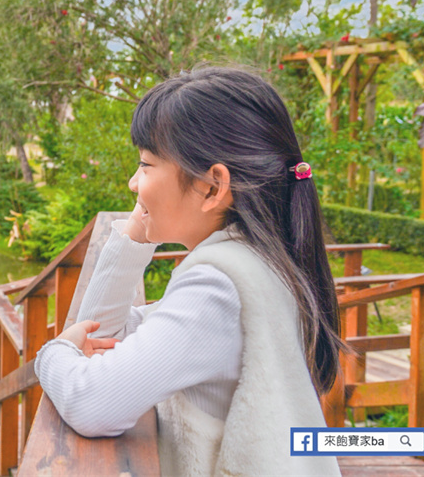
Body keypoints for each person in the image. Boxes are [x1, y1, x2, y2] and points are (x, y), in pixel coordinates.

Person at [34, 66, 343, 476]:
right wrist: (134, 237)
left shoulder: (217, 289)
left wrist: (54, 353)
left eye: (146, 165)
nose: (132, 182)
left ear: (212, 187)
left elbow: (94, 404)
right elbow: (106, 332)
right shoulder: (256, 262)